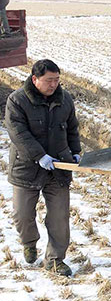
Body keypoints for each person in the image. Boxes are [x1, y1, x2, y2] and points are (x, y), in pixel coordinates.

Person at [5, 59, 81, 275]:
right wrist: (39, 156)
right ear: (35, 79)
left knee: (59, 218)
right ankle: (29, 242)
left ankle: (55, 260)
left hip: (58, 167)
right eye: (49, 80)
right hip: (27, 167)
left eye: (57, 80)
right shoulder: (17, 100)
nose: (54, 85)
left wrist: (75, 152)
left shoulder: (65, 99)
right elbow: (18, 133)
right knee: (22, 215)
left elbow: (72, 128)